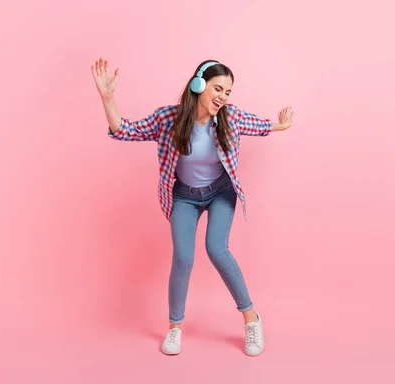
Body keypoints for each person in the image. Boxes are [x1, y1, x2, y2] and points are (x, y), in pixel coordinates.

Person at [91, 58, 294, 356]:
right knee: (183, 257)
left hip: (221, 191)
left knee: (216, 248)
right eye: (218, 88)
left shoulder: (229, 117)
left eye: (228, 92)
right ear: (198, 85)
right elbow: (125, 130)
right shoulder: (168, 119)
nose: (223, 97)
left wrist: (281, 125)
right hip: (184, 196)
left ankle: (251, 318)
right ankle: (174, 328)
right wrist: (107, 97)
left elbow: (258, 124)